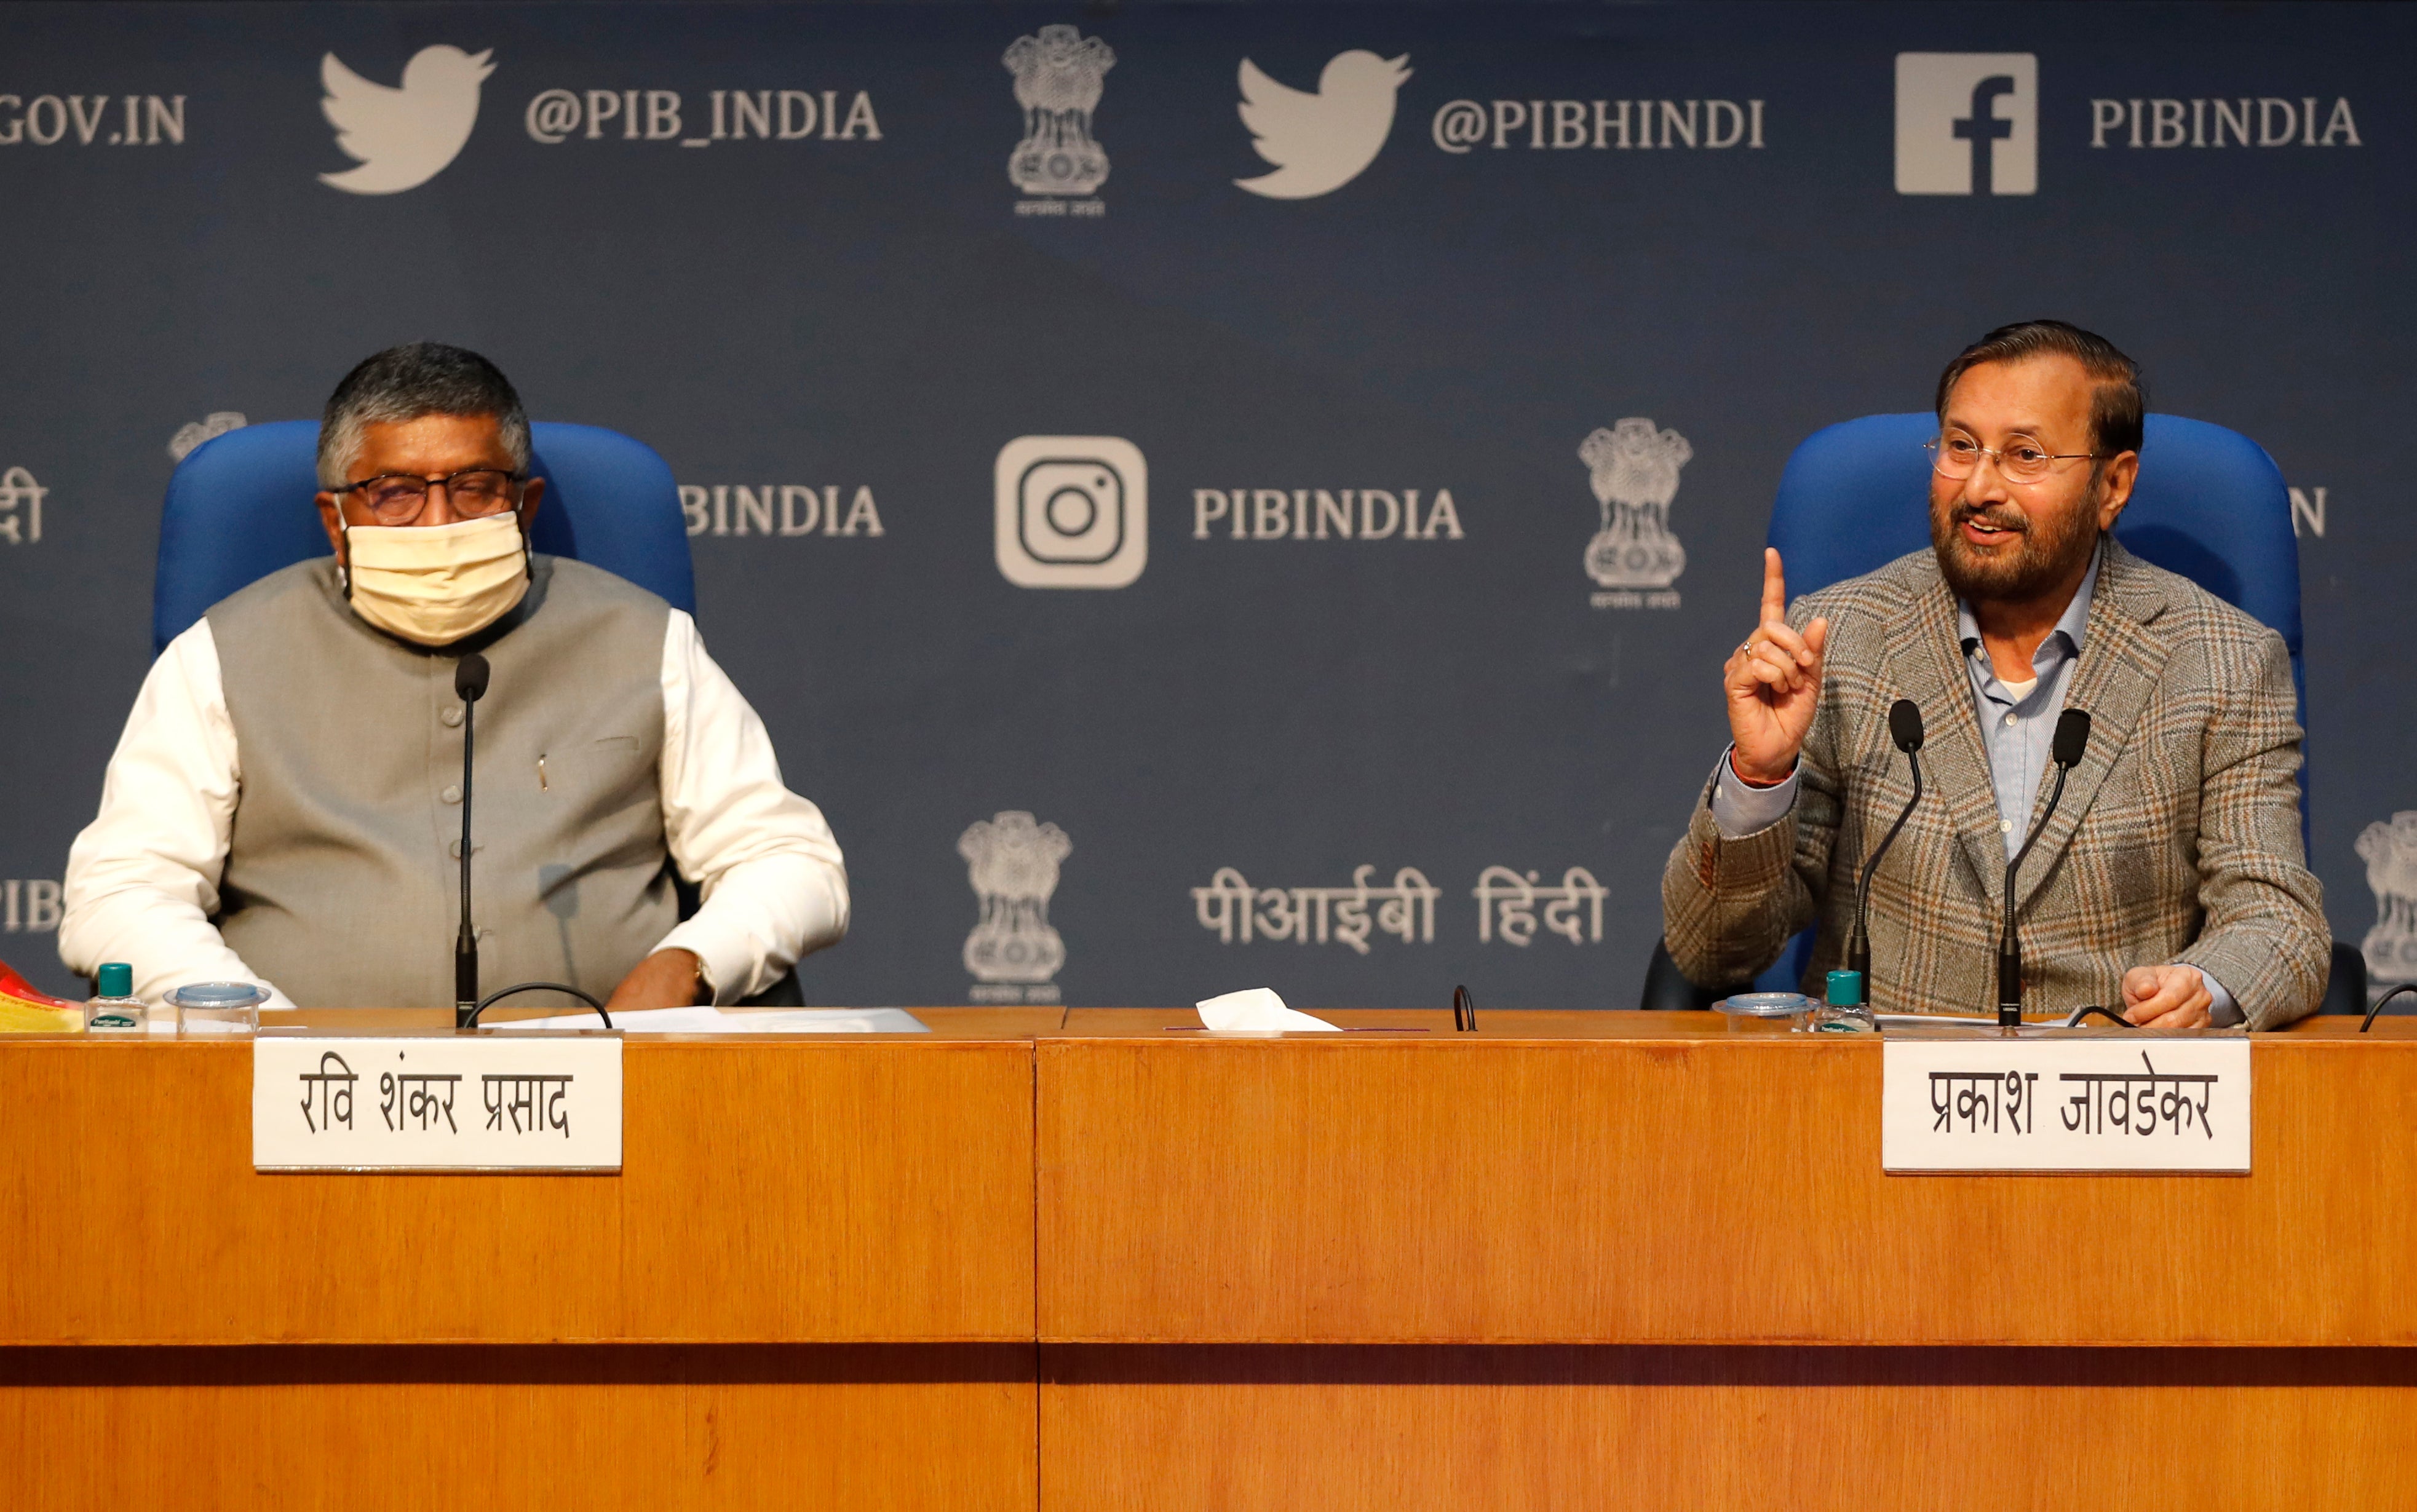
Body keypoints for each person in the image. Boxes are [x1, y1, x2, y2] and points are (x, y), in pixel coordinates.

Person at [61, 342, 848, 1012]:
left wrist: (687, 967)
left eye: (474, 488)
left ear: (525, 504)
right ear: (337, 519)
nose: (440, 525)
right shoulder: (220, 654)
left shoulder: (647, 639)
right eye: (396, 493)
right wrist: (264, 1030)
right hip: (293, 1104)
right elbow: (122, 893)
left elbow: (790, 862)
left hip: (613, 1098)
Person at [1661, 320, 2326, 1029]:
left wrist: (2204, 985)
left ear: (2114, 484)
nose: (1979, 486)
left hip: (2110, 1103)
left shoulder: (2223, 658)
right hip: (1871, 1105)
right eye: (1960, 447)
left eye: (2024, 455)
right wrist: (1759, 779)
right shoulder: (1839, 638)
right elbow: (1711, 951)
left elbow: (2278, 918)